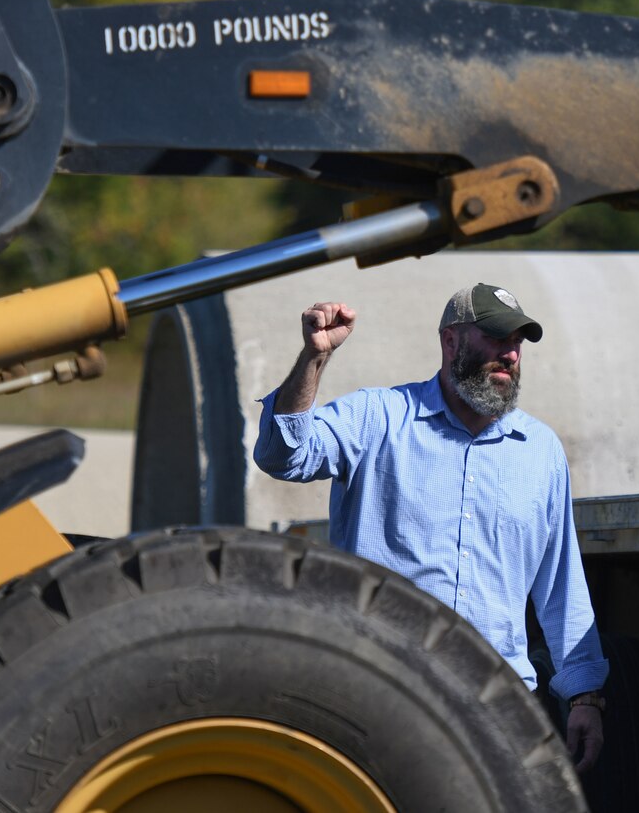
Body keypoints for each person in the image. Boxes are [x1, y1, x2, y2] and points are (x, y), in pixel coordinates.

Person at [253, 282, 609, 772]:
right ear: (450, 342)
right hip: (380, 696)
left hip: (497, 709)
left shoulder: (540, 450)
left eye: (518, 342)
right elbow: (283, 455)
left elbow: (561, 584)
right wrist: (313, 359)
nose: (510, 353)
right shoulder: (378, 418)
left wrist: (584, 696)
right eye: (496, 338)